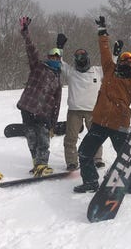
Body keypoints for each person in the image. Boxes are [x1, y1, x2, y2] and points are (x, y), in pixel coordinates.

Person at [73, 16, 131, 193]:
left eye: (130, 61)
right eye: (124, 60)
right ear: (119, 61)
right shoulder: (109, 69)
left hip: (118, 126)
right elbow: (104, 50)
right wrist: (102, 31)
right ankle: (90, 182)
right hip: (99, 123)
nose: (126, 63)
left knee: (125, 158)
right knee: (84, 153)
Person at [16, 16, 62, 177]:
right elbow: (31, 50)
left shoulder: (58, 79)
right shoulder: (38, 66)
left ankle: (42, 164)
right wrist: (25, 33)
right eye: (52, 56)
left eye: (57, 57)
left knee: (43, 140)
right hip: (28, 107)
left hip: (44, 113)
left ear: (60, 59)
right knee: (31, 138)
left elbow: (57, 104)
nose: (54, 59)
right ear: (48, 58)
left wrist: (53, 125)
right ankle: (37, 163)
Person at [56, 33, 105, 171]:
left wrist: (115, 53)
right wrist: (59, 47)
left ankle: (97, 159)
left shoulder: (97, 71)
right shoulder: (71, 72)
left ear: (87, 58)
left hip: (93, 110)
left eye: (83, 56)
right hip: (74, 111)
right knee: (71, 138)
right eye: (78, 57)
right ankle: (72, 162)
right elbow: (59, 62)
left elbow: (110, 66)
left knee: (95, 136)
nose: (81, 59)